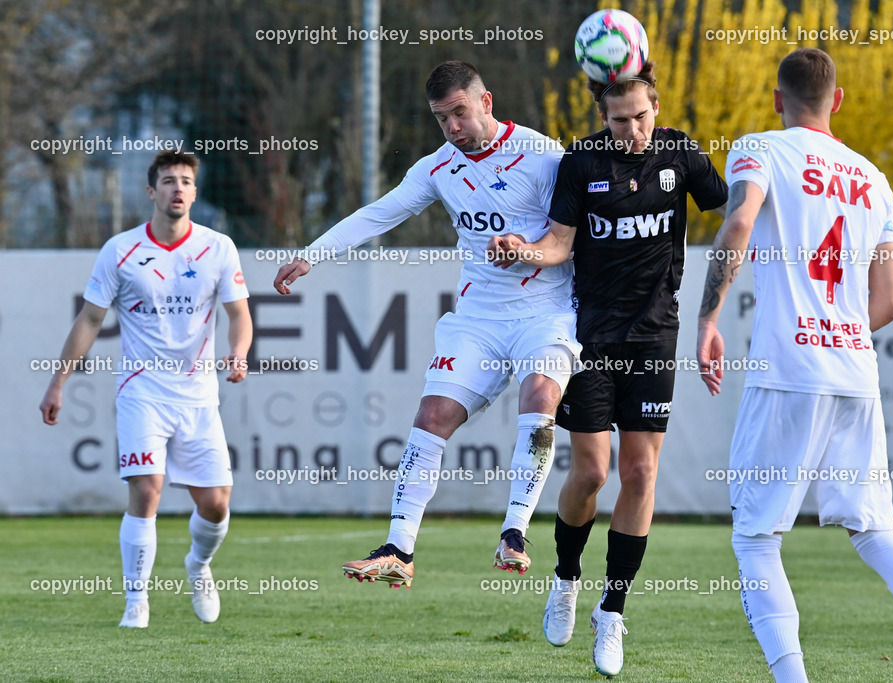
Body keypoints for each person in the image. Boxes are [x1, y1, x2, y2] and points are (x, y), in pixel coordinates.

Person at [695, 48, 893, 683]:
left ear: (778, 100)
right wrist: (840, 331)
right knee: (876, 532)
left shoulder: (761, 149)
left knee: (755, 539)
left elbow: (739, 224)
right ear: (837, 101)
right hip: (856, 373)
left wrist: (708, 319)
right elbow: (889, 301)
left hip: (787, 368)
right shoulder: (874, 179)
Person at [273, 61, 579, 587]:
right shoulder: (438, 168)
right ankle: (399, 547)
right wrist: (312, 255)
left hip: (544, 312)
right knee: (432, 413)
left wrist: (524, 250)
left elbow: (569, 236)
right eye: (442, 119)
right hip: (478, 317)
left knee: (540, 395)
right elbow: (379, 213)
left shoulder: (545, 156)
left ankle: (514, 531)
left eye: (459, 112)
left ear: (486, 102)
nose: (453, 128)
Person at [489, 60, 727, 676]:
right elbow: (560, 245)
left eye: (643, 117)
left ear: (657, 109)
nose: (634, 131)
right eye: (620, 121)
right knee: (592, 474)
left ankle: (612, 610)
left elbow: (733, 206)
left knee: (642, 472)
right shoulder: (582, 163)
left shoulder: (682, 155)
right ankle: (566, 578)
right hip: (589, 334)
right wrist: (525, 252)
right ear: (602, 117)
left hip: (654, 335)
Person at [40, 150, 253, 628]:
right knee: (146, 489)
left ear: (194, 192)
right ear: (151, 191)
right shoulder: (120, 250)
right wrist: (58, 382)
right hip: (141, 391)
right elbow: (90, 319)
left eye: (185, 181)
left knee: (216, 504)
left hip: (198, 397)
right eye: (168, 181)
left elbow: (239, 314)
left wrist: (238, 353)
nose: (177, 188)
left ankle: (198, 566)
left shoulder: (218, 247)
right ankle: (136, 600)